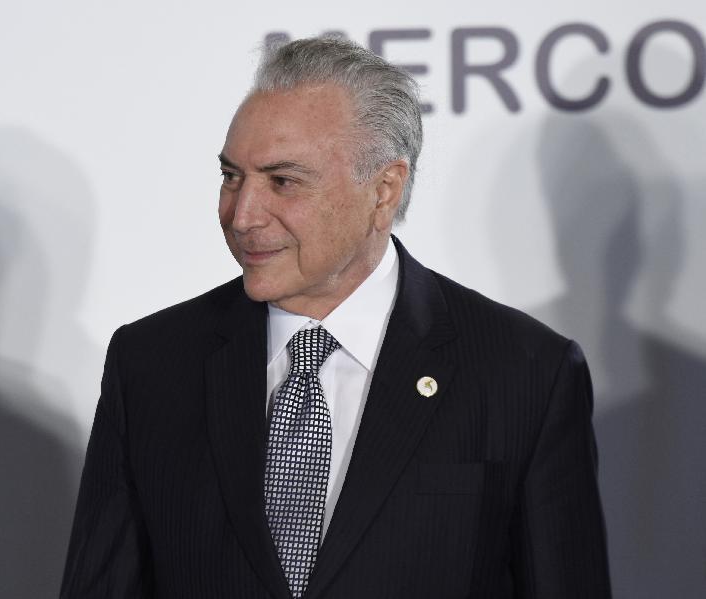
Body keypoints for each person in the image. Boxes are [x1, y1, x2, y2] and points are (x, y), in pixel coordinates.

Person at [60, 37, 612, 598]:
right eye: (231, 176)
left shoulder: (524, 373)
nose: (242, 215)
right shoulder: (152, 364)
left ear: (384, 191)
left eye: (283, 181)